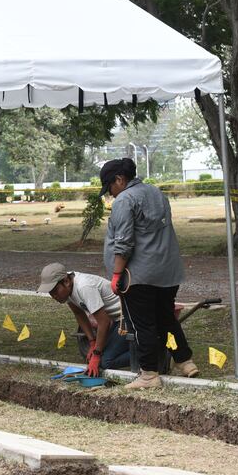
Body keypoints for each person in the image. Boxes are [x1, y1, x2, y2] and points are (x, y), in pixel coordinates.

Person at [100, 157, 198, 389]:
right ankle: (185, 361)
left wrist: (116, 274)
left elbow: (123, 242)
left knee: (143, 325)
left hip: (140, 275)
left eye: (110, 187)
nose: (111, 194)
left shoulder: (125, 199)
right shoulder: (156, 192)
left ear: (119, 179)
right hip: (167, 270)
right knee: (166, 318)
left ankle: (149, 374)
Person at [38, 263, 131, 376]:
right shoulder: (67, 289)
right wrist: (92, 342)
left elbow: (104, 322)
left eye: (55, 291)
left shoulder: (84, 287)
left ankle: (152, 352)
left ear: (66, 282)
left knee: (105, 361)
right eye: (50, 293)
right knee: (100, 354)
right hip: (118, 319)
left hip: (129, 317)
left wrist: (96, 354)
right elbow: (79, 313)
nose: (54, 296)